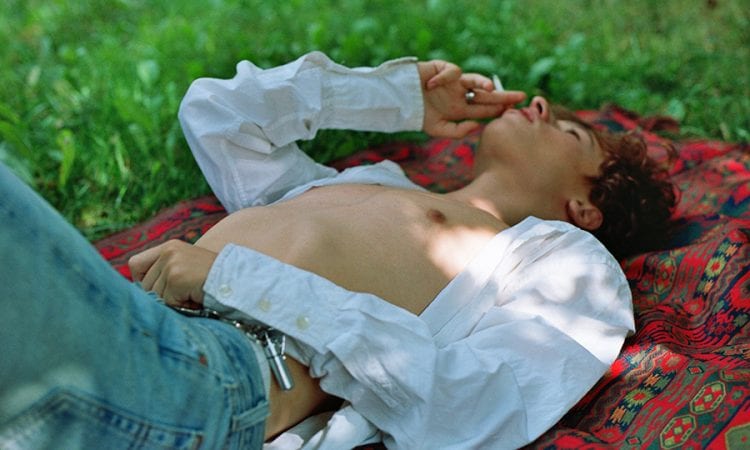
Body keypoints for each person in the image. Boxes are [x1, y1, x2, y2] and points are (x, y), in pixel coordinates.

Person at [0, 52, 675, 449]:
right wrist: (393, 97)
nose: (540, 103)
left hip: (210, 382)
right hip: (136, 322)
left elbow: (475, 405)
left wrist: (234, 279)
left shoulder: (566, 265)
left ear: (586, 207)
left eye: (571, 133)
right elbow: (218, 114)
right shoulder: (379, 182)